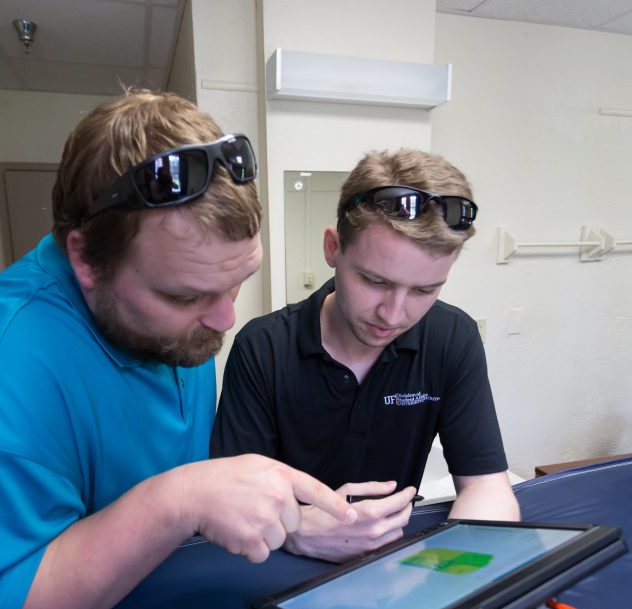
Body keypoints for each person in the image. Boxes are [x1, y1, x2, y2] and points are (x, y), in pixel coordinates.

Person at [0, 90, 356, 609]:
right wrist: (177, 502)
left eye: (238, 281)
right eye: (184, 296)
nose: (226, 319)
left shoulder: (171, 320)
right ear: (86, 260)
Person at [211, 149, 519, 563]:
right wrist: (297, 530)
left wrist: (449, 586)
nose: (393, 315)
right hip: (278, 561)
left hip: (396, 564)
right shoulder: (262, 348)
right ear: (333, 248)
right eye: (375, 281)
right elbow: (228, 505)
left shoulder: (452, 338)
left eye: (424, 291)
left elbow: (486, 487)